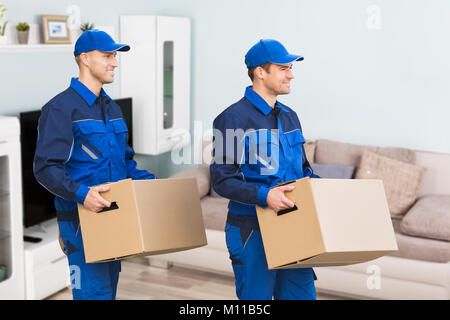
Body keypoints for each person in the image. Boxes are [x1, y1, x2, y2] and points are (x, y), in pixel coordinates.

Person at [33, 30, 156, 300]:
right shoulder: (60, 109)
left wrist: (155, 186)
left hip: (114, 217)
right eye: (108, 55)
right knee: (92, 294)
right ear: (85, 59)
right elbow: (45, 168)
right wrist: (82, 194)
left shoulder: (111, 108)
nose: (114, 62)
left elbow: (124, 164)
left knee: (107, 291)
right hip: (81, 222)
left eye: (115, 56)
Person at [210, 39, 320, 300]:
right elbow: (222, 180)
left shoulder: (290, 116)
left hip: (294, 227)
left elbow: (304, 170)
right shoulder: (232, 119)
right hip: (252, 231)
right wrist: (265, 196)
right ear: (260, 71)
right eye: (283, 68)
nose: (291, 75)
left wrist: (323, 190)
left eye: (290, 68)